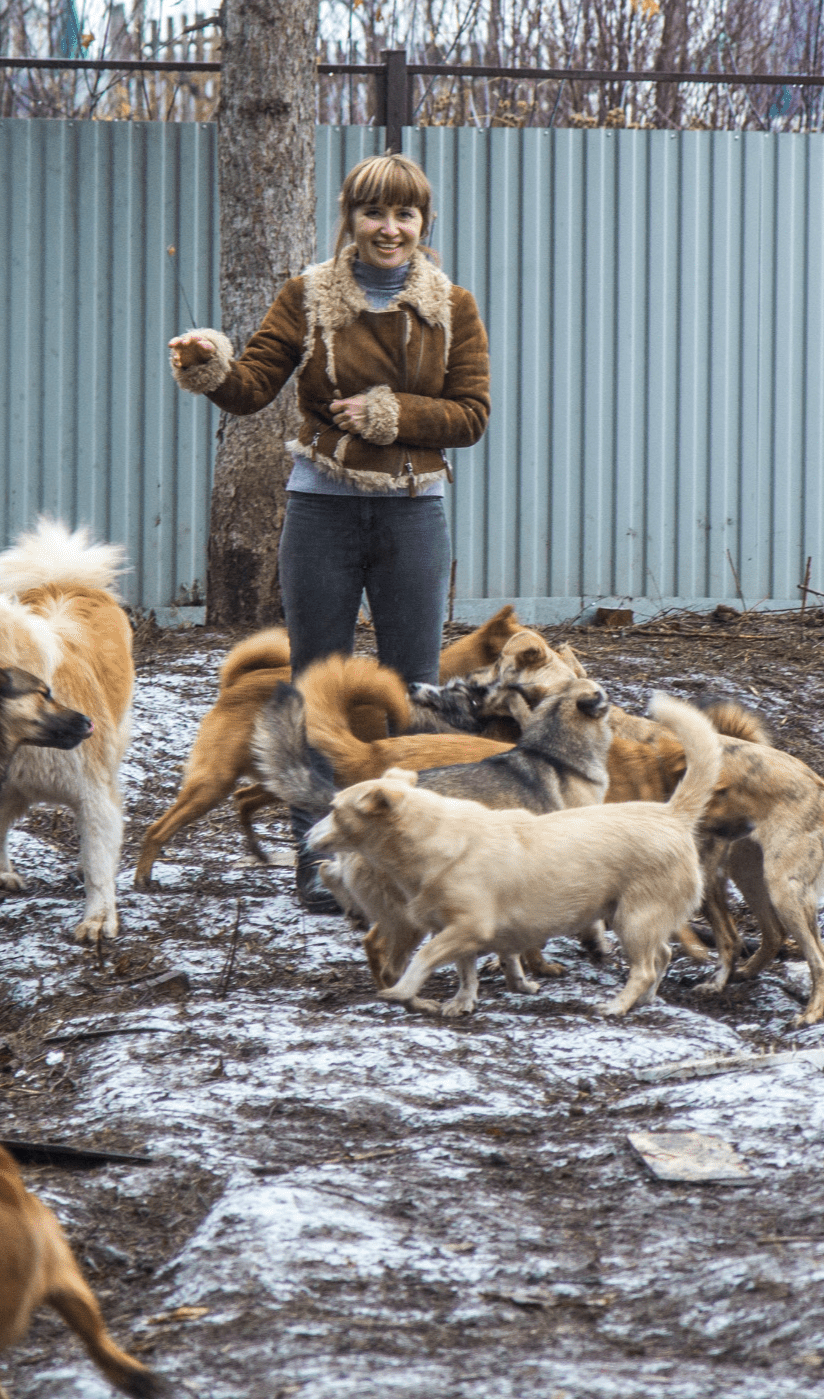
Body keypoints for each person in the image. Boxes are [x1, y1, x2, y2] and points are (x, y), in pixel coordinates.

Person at [169, 152, 491, 911]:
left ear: (423, 223)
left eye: (404, 214)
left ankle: (407, 855)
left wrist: (393, 414)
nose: (389, 228)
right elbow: (251, 389)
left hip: (414, 511)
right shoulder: (307, 296)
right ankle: (318, 858)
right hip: (320, 510)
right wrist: (210, 364)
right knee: (317, 686)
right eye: (373, 212)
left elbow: (471, 415)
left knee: (413, 691)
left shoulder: (453, 307)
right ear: (348, 218)